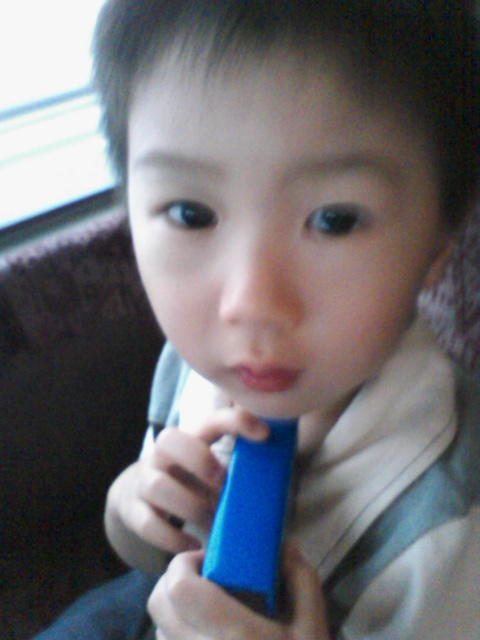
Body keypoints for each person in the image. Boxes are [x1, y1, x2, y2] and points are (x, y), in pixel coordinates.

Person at [36, 1, 480, 639]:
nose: (250, 304)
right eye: (191, 214)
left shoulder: (448, 529)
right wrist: (133, 507)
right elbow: (149, 559)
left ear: (438, 246)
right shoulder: (196, 365)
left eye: (334, 220)